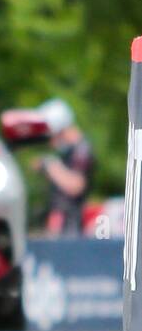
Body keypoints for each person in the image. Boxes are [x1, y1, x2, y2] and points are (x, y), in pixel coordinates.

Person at [32, 98, 94, 235]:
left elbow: (76, 185)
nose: (50, 142)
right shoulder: (69, 152)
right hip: (62, 225)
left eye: (51, 136)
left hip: (71, 227)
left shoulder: (81, 150)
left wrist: (50, 166)